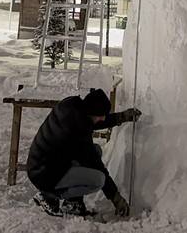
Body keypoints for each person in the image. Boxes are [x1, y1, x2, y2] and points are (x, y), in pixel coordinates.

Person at [27, 88, 142, 217]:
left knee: (96, 150)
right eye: (101, 115)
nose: (103, 118)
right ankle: (48, 195)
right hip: (44, 174)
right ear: (92, 112)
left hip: (40, 164)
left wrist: (121, 117)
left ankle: (73, 203)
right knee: (98, 180)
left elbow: (91, 123)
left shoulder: (73, 107)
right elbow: (95, 164)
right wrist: (115, 197)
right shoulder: (77, 132)